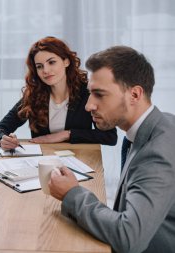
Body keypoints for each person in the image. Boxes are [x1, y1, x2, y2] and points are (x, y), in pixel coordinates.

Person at [49, 46, 175, 252]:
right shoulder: (161, 123)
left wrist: (72, 193)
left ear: (134, 94)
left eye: (99, 94)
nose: (89, 105)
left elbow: (129, 238)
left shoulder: (156, 154)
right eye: (90, 93)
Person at [0, 36, 117, 150]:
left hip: (80, 160)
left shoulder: (87, 92)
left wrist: (66, 134)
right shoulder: (34, 95)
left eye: (51, 62)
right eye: (39, 66)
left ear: (66, 61)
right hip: (44, 163)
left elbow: (110, 137)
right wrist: (3, 139)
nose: (45, 70)